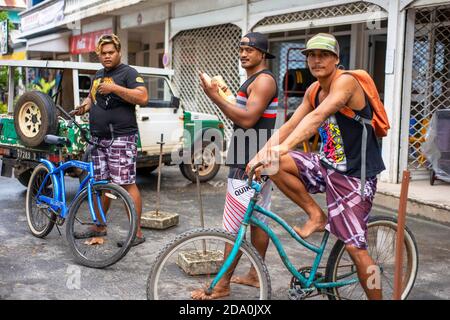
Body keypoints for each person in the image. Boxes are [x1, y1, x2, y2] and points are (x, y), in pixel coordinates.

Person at [248, 33, 385, 300]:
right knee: (274, 164)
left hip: (355, 176)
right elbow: (290, 125)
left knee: (356, 250)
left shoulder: (347, 82)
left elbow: (318, 116)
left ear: (336, 59)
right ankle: (316, 215)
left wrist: (284, 147)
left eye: (323, 55)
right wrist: (261, 154)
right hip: (326, 165)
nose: (316, 60)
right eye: (311, 55)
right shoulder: (314, 89)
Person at [191, 32, 278, 299]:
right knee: (257, 220)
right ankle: (255, 275)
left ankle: (222, 285)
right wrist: (226, 96)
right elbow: (245, 114)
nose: (243, 53)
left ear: (262, 54)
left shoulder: (263, 81)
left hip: (248, 161)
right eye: (240, 48)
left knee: (234, 225)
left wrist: (214, 96)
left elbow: (249, 119)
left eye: (249, 50)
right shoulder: (254, 81)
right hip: (258, 158)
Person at [71, 34, 148, 247]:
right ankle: (100, 226)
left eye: (110, 52)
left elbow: (143, 97)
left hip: (121, 138)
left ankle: (137, 233)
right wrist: (83, 107)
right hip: (99, 139)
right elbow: (92, 98)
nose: (107, 56)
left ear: (119, 52)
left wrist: (115, 88)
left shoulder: (128, 73)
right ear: (98, 54)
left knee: (126, 183)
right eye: (103, 53)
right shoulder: (97, 75)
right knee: (103, 183)